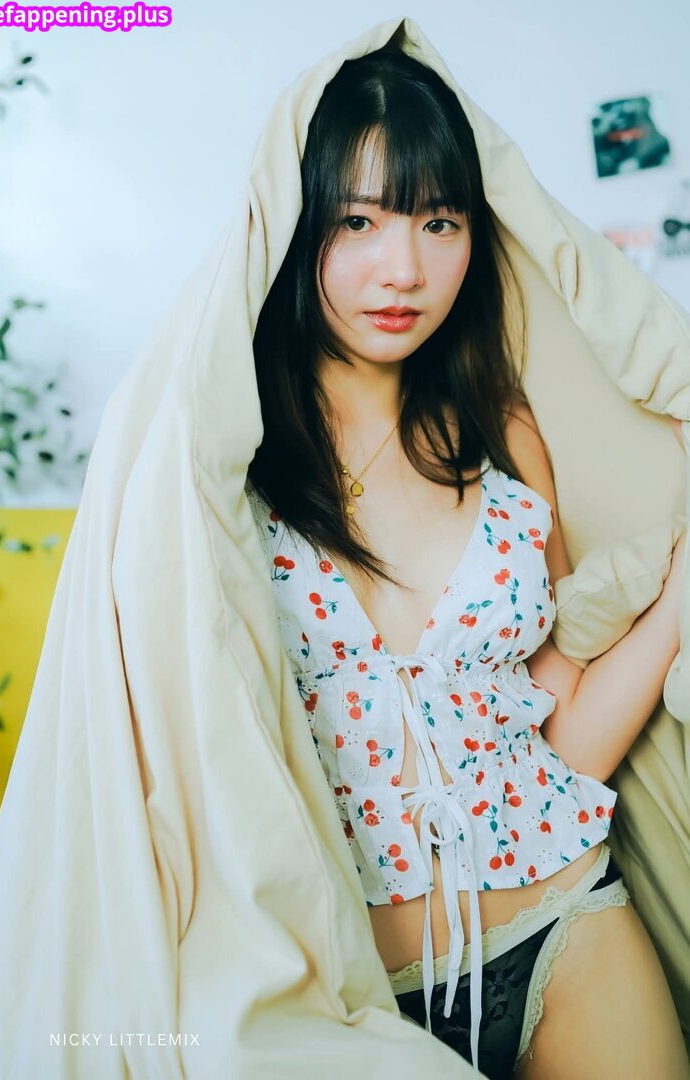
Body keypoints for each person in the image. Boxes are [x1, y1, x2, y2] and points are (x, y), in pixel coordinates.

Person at [246, 47, 688, 1079]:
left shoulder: (503, 435)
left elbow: (559, 726)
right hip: (344, 996)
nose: (403, 268)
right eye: (359, 221)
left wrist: (680, 597)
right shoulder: (232, 462)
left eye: (438, 222)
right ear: (298, 227)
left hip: (566, 926)